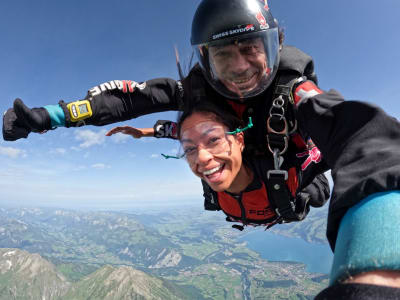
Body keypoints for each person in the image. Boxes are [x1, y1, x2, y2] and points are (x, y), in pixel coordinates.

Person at [3, 0, 330, 219]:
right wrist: (49, 117)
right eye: (224, 55)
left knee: (313, 172)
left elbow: (355, 130)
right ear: (206, 59)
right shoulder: (198, 92)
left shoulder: (297, 91)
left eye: (249, 48)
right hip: (251, 196)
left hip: (290, 186)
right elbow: (130, 99)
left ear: (273, 46)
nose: (240, 67)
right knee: (201, 133)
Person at [106, 104, 329, 229]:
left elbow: (343, 149)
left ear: (239, 140)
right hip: (262, 201)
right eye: (190, 149)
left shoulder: (286, 171)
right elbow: (182, 133)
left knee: (318, 194)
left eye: (213, 140)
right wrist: (143, 133)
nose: (202, 158)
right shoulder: (211, 170)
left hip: (297, 179)